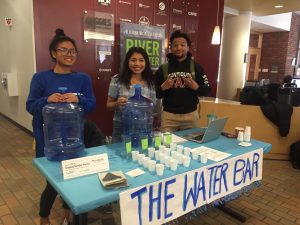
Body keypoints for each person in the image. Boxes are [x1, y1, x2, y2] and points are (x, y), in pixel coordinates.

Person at [26, 28, 96, 225]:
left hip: (75, 139)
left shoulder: (83, 79)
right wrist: (46, 100)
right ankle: (44, 217)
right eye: (63, 50)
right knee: (53, 182)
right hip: (49, 140)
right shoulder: (40, 78)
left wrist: (78, 98)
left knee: (73, 177)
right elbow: (30, 106)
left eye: (73, 51)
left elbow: (91, 104)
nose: (69, 54)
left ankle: (67, 211)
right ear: (53, 53)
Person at [155, 30, 211, 132]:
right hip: (169, 116)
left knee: (191, 146)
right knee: (165, 146)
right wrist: (163, 87)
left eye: (182, 45)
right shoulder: (163, 68)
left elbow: (207, 90)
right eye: (175, 45)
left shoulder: (197, 67)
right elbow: (154, 93)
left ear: (188, 47)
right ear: (171, 48)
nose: (179, 48)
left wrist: (196, 87)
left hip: (191, 115)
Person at [106, 47, 156, 143]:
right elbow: (108, 105)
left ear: (146, 63)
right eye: (133, 60)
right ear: (127, 62)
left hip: (143, 127)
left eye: (141, 60)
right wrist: (117, 103)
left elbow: (153, 105)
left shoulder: (150, 81)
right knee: (121, 154)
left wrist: (144, 105)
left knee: (142, 155)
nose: (137, 64)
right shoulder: (117, 79)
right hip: (122, 126)